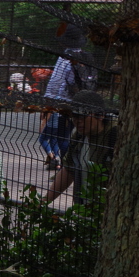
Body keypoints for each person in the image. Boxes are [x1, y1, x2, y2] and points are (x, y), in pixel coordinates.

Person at [44, 90, 118, 206]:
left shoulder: (116, 135)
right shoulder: (78, 135)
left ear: (100, 115)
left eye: (82, 116)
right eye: (74, 116)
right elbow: (68, 170)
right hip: (84, 208)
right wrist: (43, 202)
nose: (77, 121)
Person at [38, 24, 86, 171]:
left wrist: (49, 102)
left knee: (62, 137)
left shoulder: (65, 57)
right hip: (81, 101)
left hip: (64, 102)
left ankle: (67, 166)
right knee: (74, 134)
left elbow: (57, 81)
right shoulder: (84, 56)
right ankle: (71, 164)